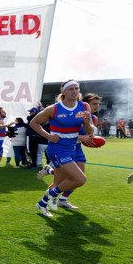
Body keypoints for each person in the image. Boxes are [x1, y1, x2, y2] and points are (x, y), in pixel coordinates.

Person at [32, 80, 92, 218]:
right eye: (71, 89)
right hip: (57, 150)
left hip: (71, 149)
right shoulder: (54, 108)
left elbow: (88, 130)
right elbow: (34, 123)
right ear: (63, 92)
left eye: (76, 88)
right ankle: (52, 195)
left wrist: (87, 122)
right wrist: (48, 136)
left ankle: (42, 204)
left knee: (58, 183)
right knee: (80, 179)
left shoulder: (84, 106)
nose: (75, 91)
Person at [38, 93, 102, 209]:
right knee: (63, 180)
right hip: (63, 147)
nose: (96, 106)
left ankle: (62, 199)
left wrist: (92, 141)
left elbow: (88, 134)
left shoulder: (94, 118)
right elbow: (66, 133)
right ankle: (45, 201)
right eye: (94, 104)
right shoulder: (73, 113)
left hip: (77, 149)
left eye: (98, 104)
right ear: (85, 104)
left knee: (77, 177)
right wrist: (81, 138)